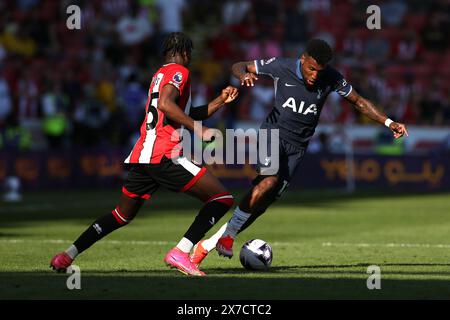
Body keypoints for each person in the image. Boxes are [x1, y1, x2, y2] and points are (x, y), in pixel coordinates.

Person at [190, 39, 408, 265]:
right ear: (303, 59)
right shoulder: (281, 66)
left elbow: (358, 101)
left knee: (265, 201)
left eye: (319, 71)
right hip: (272, 134)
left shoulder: (331, 77)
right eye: (311, 69)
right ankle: (227, 236)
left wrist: (388, 122)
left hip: (298, 147)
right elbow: (240, 64)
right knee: (268, 182)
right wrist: (242, 75)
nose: (315, 75)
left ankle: (208, 244)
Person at [50, 32, 238, 277]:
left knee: (121, 215)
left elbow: (185, 112)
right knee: (221, 199)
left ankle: (68, 255)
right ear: (184, 52)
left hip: (144, 156)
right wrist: (199, 130)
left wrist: (220, 101)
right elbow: (166, 106)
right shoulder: (178, 72)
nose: (190, 58)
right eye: (189, 54)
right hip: (165, 153)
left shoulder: (159, 75)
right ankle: (181, 252)